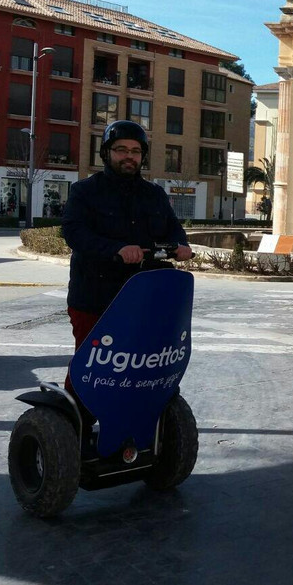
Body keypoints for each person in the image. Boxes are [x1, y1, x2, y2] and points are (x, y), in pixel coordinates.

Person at [62, 120, 194, 390]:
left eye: (135, 151)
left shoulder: (154, 194)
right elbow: (74, 232)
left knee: (142, 364)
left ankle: (140, 418)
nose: (129, 156)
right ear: (107, 153)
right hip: (96, 298)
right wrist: (116, 250)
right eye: (121, 149)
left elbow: (173, 229)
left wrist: (180, 246)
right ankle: (74, 419)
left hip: (143, 298)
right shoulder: (85, 191)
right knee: (93, 367)